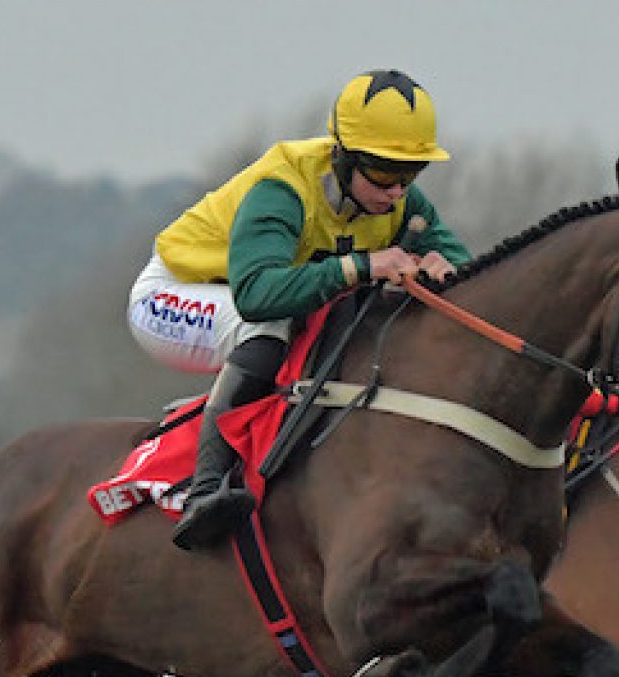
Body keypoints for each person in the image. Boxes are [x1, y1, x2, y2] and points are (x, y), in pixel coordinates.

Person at [128, 69, 474, 551]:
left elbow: (468, 265)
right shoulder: (283, 188)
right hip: (174, 296)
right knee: (268, 326)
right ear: (344, 156)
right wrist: (361, 266)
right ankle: (204, 492)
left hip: (249, 302)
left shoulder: (399, 202)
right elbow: (256, 296)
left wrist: (448, 268)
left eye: (410, 173)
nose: (397, 190)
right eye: (382, 171)